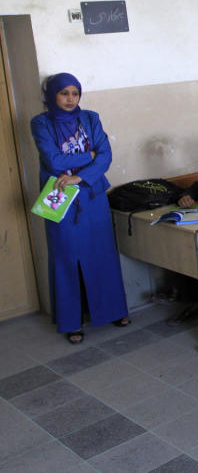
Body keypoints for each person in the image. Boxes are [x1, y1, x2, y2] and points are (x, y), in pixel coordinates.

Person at [31, 73, 129, 344]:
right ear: (52, 95)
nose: (70, 99)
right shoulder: (40, 123)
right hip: (60, 197)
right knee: (66, 258)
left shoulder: (90, 118)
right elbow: (53, 159)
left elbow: (106, 155)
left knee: (102, 254)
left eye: (75, 93)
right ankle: (72, 321)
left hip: (92, 194)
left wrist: (80, 175)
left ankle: (113, 310)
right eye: (64, 93)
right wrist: (90, 156)